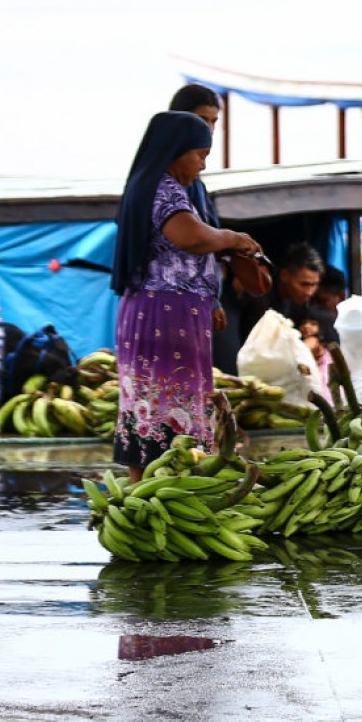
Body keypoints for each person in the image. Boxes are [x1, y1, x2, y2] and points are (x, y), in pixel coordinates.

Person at [111, 112, 260, 480]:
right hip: (165, 312)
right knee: (167, 403)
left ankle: (142, 490)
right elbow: (190, 236)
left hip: (152, 310)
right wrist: (233, 238)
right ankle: (171, 488)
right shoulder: (164, 189)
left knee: (148, 405)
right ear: (176, 151)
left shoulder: (147, 186)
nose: (202, 165)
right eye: (200, 155)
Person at [233, 241, 333, 345]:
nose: (309, 292)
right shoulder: (260, 300)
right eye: (304, 284)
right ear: (284, 275)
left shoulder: (299, 303)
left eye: (314, 285)